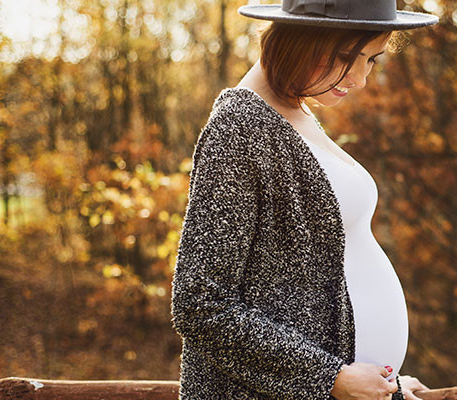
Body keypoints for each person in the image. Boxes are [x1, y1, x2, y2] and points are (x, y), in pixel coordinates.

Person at [169, 1, 438, 399]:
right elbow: (200, 304)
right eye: (346, 57)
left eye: (371, 60)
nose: (360, 79)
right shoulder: (238, 128)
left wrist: (383, 382)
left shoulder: (295, 114)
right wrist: (330, 378)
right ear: (299, 38)